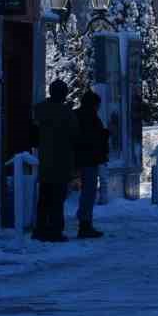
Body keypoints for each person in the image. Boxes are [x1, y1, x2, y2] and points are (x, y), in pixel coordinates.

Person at [31, 79, 77, 242]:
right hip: (61, 161)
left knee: (44, 198)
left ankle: (41, 228)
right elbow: (74, 135)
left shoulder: (40, 110)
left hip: (45, 160)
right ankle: (55, 230)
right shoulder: (67, 114)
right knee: (58, 200)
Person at [73, 88, 109, 239]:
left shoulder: (76, 115)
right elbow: (94, 140)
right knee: (89, 192)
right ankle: (85, 224)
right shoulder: (92, 118)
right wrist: (105, 134)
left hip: (77, 159)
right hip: (89, 160)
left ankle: (83, 220)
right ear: (93, 104)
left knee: (85, 192)